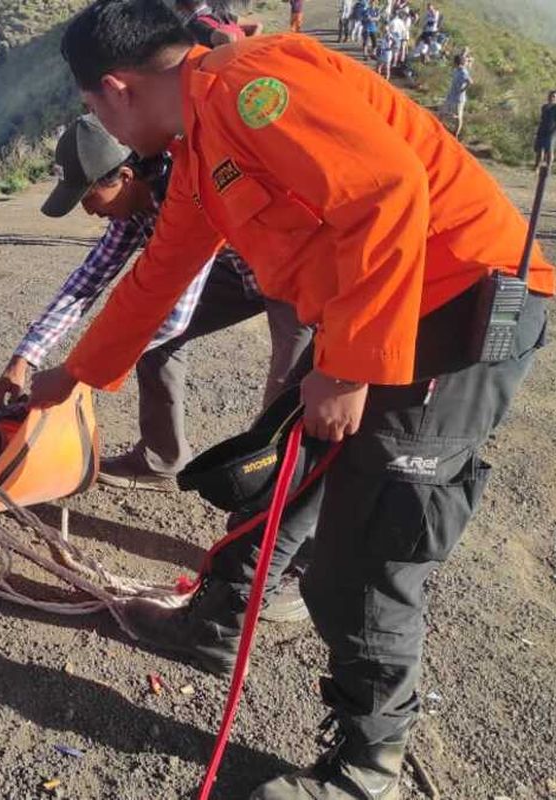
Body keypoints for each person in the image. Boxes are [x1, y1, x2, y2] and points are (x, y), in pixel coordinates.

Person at [38, 2, 552, 796]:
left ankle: (365, 768)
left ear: (114, 88)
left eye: (89, 106)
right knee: (288, 466)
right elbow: (157, 276)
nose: (95, 119)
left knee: (368, 551)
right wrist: (70, 376)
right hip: (377, 304)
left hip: (454, 311)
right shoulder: (201, 140)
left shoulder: (254, 86)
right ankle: (219, 621)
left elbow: (386, 191)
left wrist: (346, 369)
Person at [0, 115, 312, 499]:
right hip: (239, 266)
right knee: (147, 337)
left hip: (294, 274)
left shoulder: (189, 188)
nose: (89, 212)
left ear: (125, 177)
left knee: (287, 392)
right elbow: (87, 281)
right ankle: (161, 462)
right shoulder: (134, 207)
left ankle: (272, 504)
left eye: (89, 197)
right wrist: (24, 357)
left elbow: (171, 315)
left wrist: (75, 373)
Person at [175, 0, 245, 46]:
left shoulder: (193, 25)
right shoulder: (221, 14)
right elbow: (255, 26)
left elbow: (227, 37)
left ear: (180, 7)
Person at [444, 52, 473, 140]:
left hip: (459, 97)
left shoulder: (463, 72)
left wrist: (462, 90)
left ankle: (456, 133)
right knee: (446, 110)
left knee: (458, 115)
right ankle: (447, 126)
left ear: (456, 63)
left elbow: (470, 82)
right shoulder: (456, 70)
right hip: (452, 94)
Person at [533, 90, 556, 171]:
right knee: (539, 149)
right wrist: (537, 129)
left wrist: (553, 131)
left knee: (549, 150)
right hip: (542, 129)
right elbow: (542, 119)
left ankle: (548, 167)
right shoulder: (544, 107)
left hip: (551, 132)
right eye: (550, 96)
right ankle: (537, 166)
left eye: (553, 96)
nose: (551, 98)